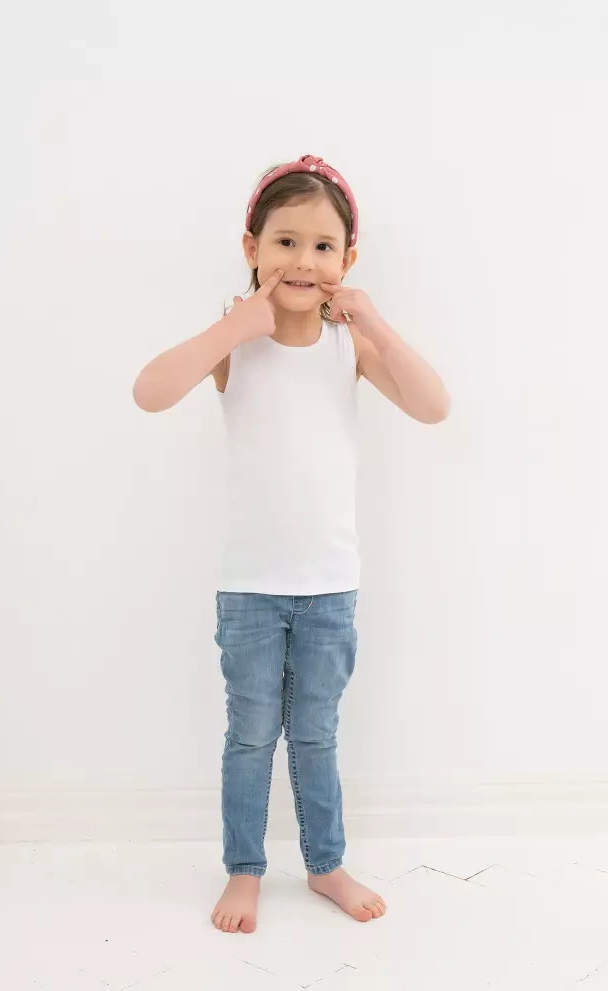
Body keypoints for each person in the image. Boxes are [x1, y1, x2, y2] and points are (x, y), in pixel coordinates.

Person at [132, 153, 451, 934]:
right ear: (251, 248)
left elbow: (432, 406)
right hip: (248, 587)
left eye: (321, 246)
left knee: (315, 735)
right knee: (250, 735)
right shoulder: (235, 345)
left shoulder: (350, 347)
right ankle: (244, 869)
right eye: (283, 242)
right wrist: (231, 326)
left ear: (346, 261)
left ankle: (324, 864)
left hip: (329, 587)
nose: (302, 261)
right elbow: (149, 392)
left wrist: (374, 323)